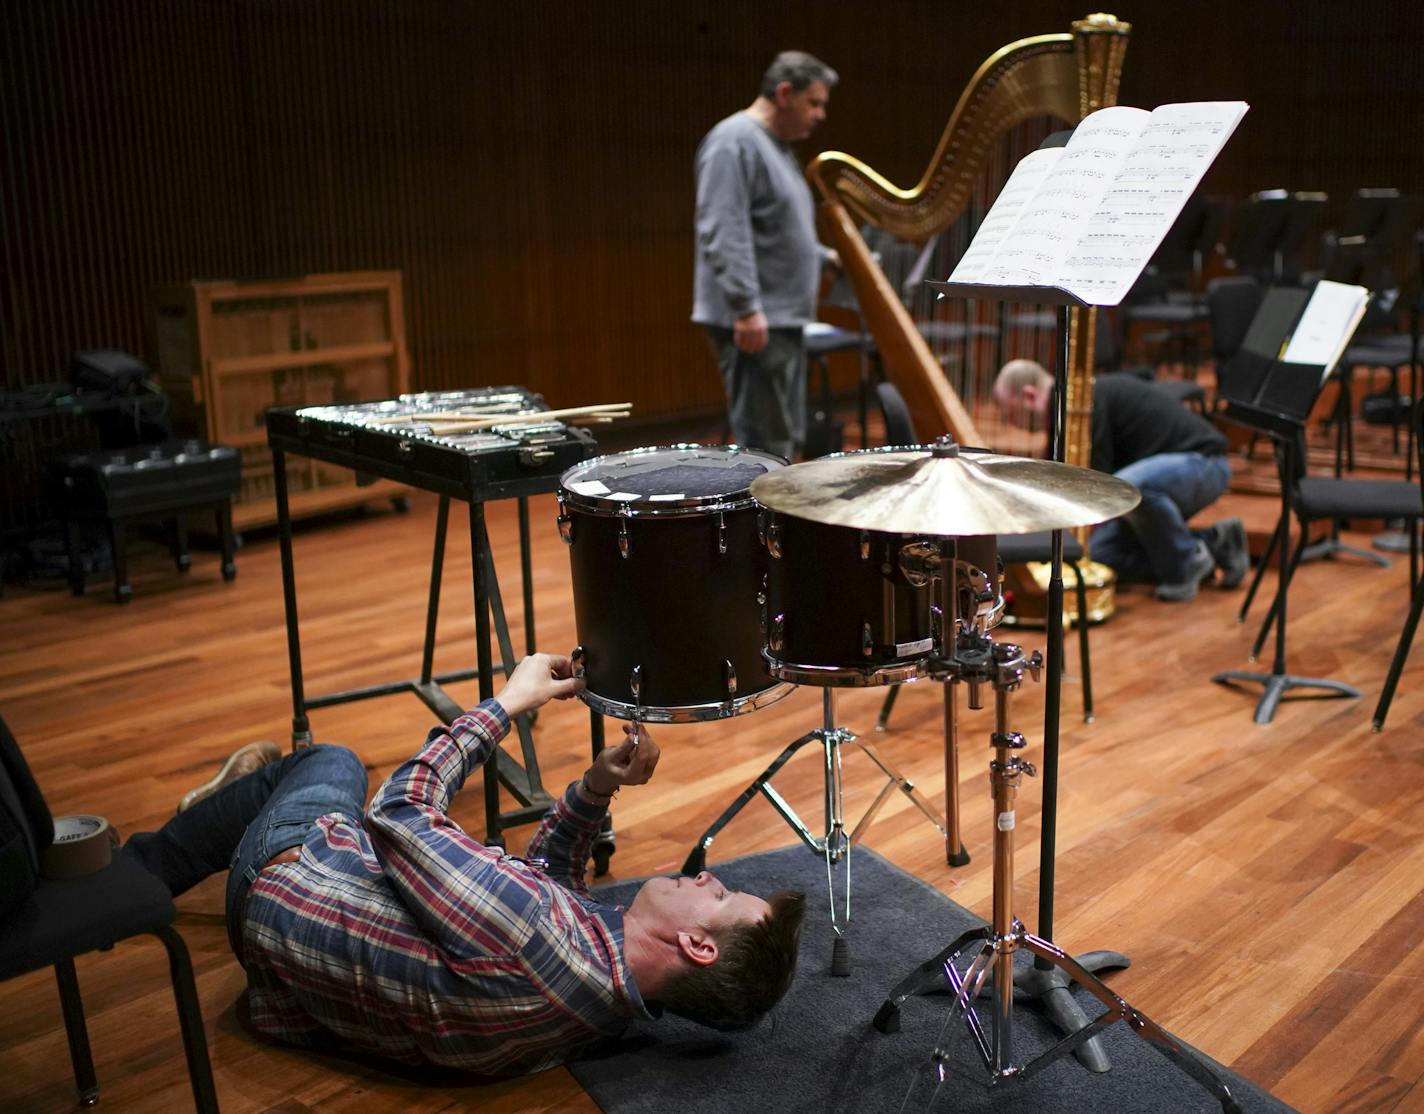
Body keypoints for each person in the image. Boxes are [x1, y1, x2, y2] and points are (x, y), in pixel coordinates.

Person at [122, 652, 805, 1077]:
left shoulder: (527, 933)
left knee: (334, 764)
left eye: (723, 898)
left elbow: (400, 810)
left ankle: (137, 871)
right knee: (412, 801)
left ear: (696, 945)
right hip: (299, 982)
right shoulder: (607, 1002)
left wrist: (510, 702)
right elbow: (548, 883)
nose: (712, 877)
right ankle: (231, 809)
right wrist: (597, 788)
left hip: (283, 888)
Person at [994, 359, 1249, 602]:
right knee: (1102, 555)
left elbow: (1097, 483)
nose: (1011, 423)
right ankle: (1214, 543)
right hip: (1167, 475)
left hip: (1203, 464)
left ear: (1029, 395)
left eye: (1009, 413)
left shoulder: (1082, 403)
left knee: (1127, 487)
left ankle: (1185, 562)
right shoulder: (1064, 414)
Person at [692, 50, 840, 461]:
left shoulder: (777, 147)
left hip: (781, 316)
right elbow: (723, 227)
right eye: (815, 102)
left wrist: (821, 255)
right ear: (785, 93)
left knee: (783, 438)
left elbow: (772, 228)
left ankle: (774, 526)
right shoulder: (733, 141)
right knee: (764, 445)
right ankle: (759, 526)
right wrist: (745, 307)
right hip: (758, 319)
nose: (821, 114)